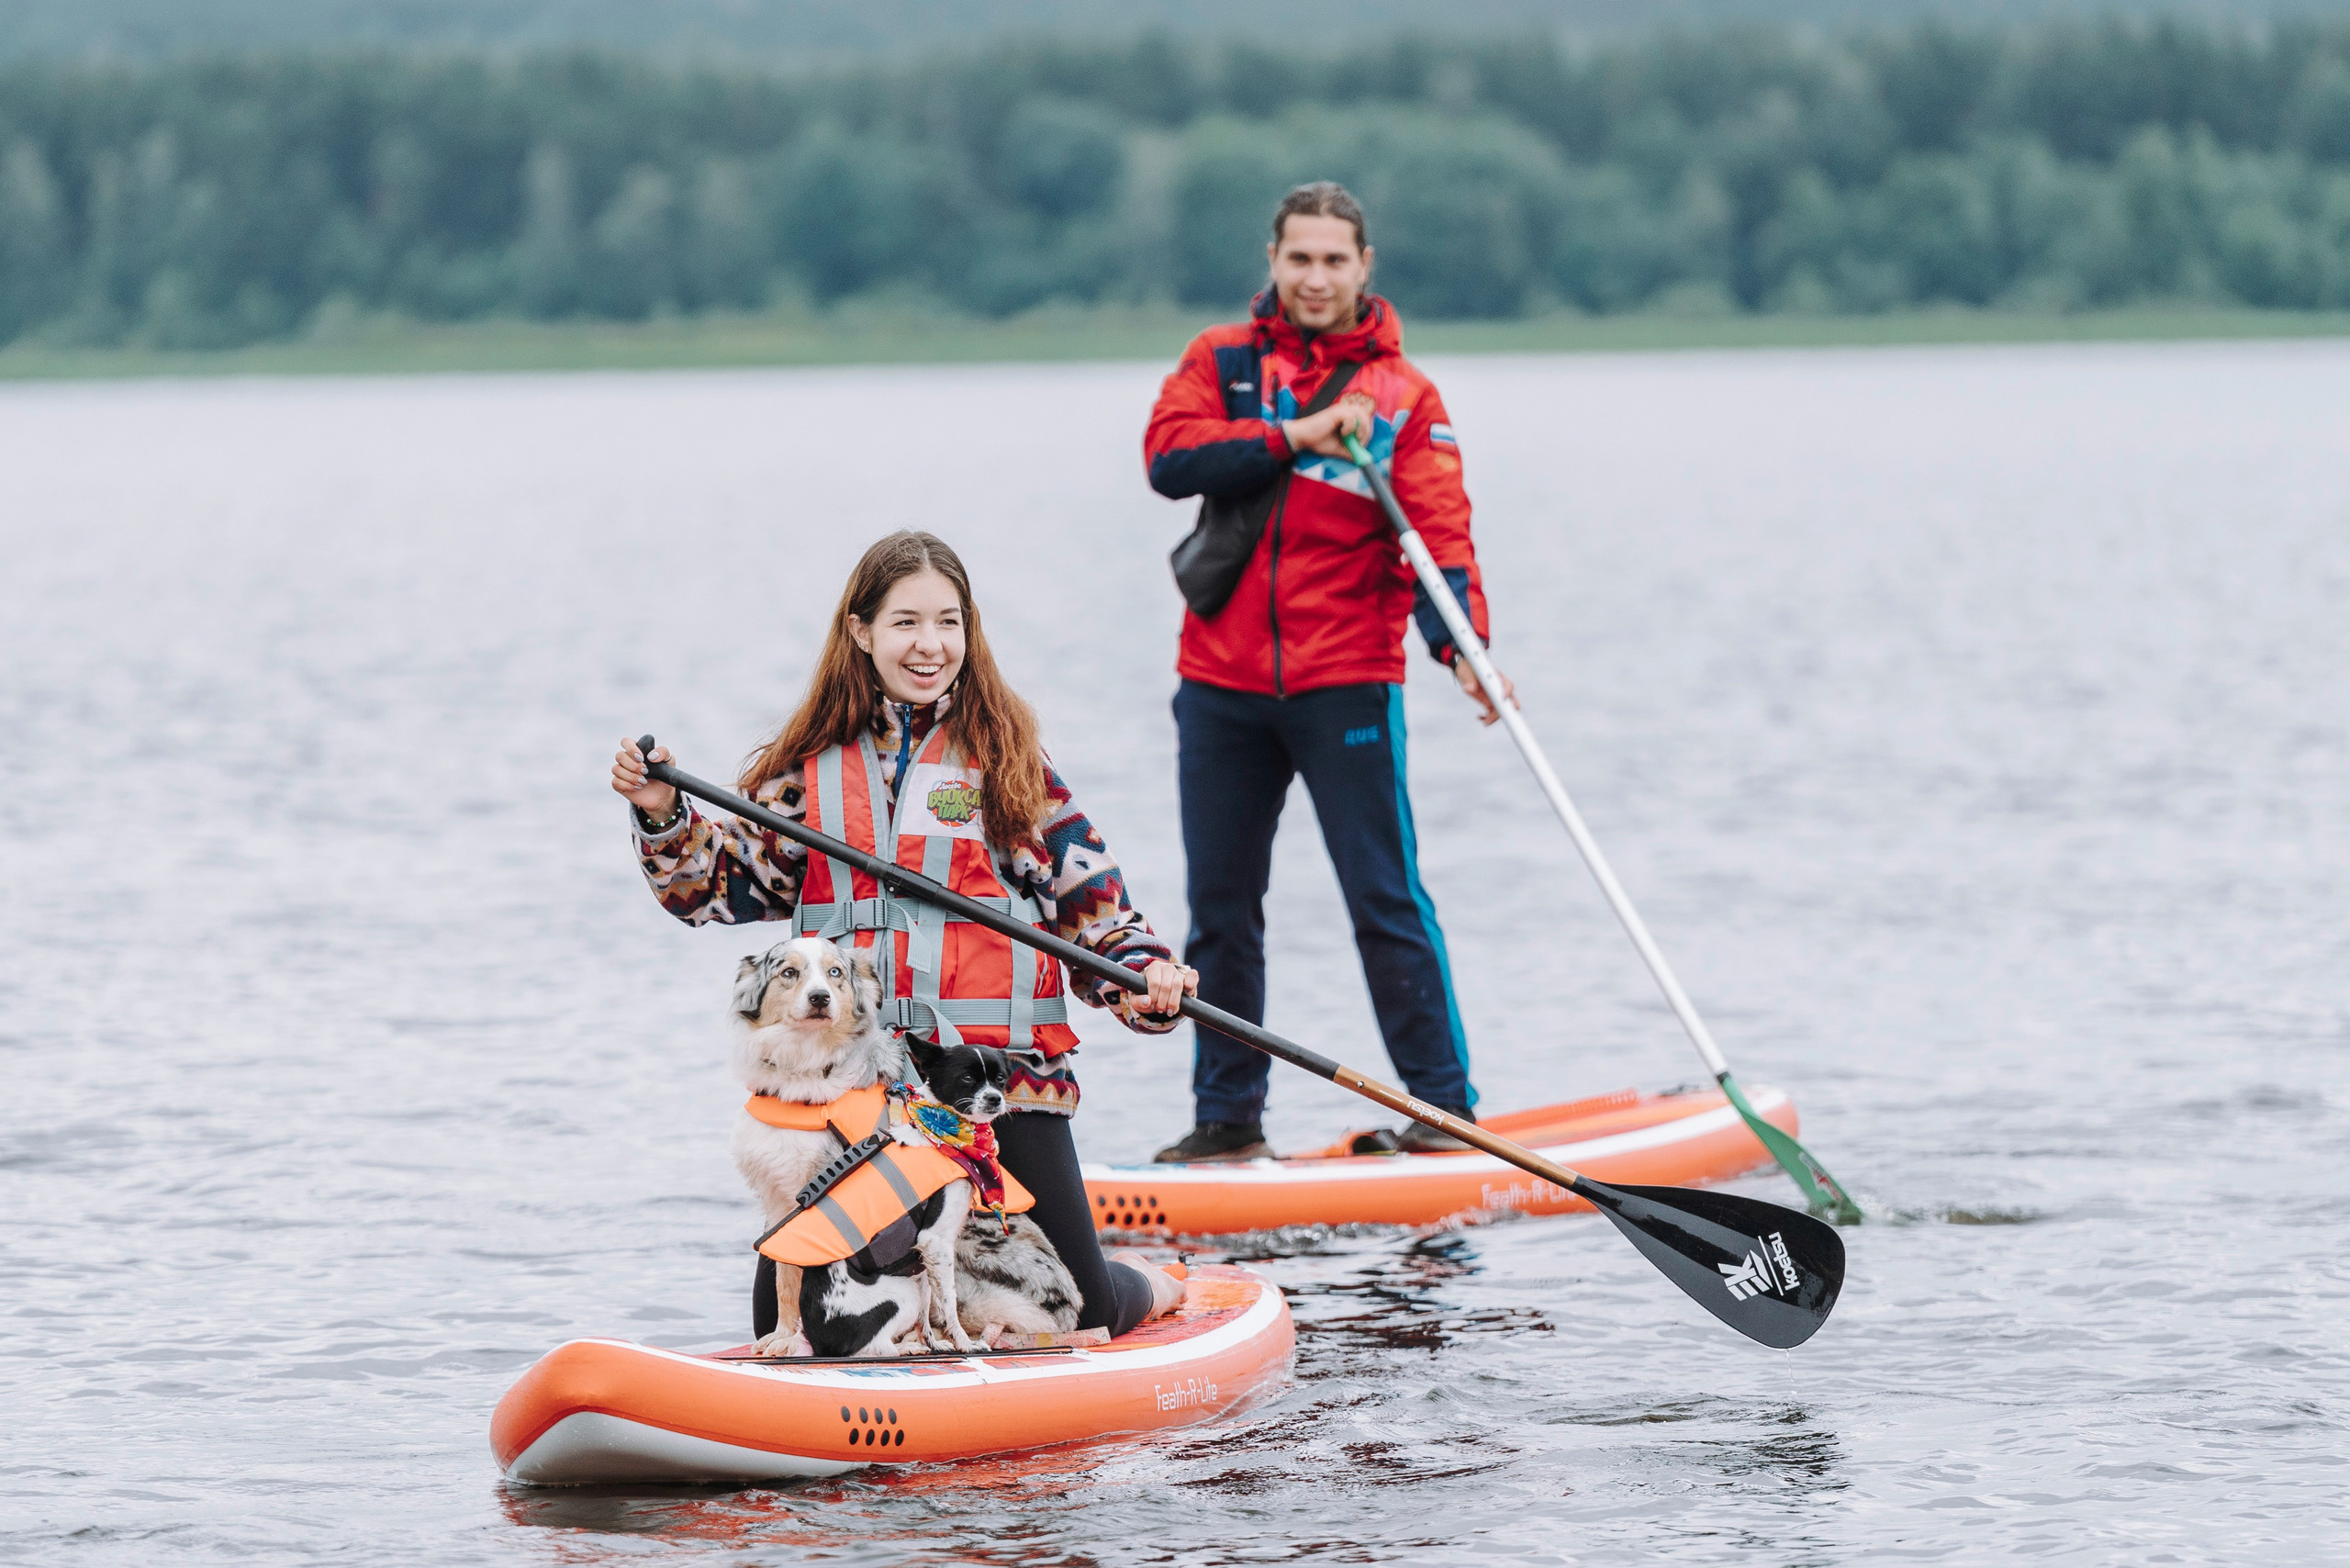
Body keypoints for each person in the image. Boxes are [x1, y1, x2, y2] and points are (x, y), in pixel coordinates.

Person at [610, 530, 1193, 1340]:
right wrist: (660, 816)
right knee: (785, 1319)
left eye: (949, 623)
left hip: (997, 1081)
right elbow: (715, 890)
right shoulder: (806, 769)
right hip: (860, 1091)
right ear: (861, 632)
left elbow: (1090, 903)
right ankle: (909, 1327)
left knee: (1082, 1310)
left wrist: (1148, 974)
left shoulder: (1008, 760)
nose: (931, 646)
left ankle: (1152, 1287)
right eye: (907, 623)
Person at [1141, 181, 1515, 1162]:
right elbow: (1169, 459)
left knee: (1383, 898)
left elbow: (1439, 540)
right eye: (1297, 257)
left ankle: (1443, 1113)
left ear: (1364, 269)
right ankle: (1228, 1121)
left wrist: (1463, 649)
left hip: (1346, 678)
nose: (1314, 277)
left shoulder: (1403, 398)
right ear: (1272, 259)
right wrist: (1290, 437)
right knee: (1219, 910)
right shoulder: (1219, 360)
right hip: (1218, 682)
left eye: (1333, 260)